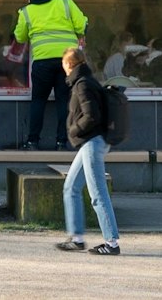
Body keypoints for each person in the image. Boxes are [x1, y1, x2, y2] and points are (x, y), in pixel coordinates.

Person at [53, 47, 120, 256]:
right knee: (71, 186)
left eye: (64, 63)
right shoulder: (85, 81)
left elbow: (92, 116)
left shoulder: (82, 85)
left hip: (92, 142)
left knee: (97, 193)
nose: (63, 68)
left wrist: (73, 130)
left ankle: (112, 243)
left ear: (70, 64)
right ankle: (77, 238)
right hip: (90, 142)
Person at [14, 0, 89, 150]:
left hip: (43, 61)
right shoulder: (64, 2)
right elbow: (82, 25)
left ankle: (33, 141)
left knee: (38, 100)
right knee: (64, 101)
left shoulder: (27, 11)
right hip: (68, 61)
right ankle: (61, 142)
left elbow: (20, 37)